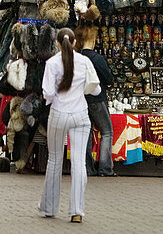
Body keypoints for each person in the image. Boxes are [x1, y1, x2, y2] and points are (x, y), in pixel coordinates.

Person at [40, 28, 99, 223]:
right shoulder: (84, 61)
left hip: (58, 113)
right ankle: (77, 210)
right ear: (74, 43)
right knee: (79, 162)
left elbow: (47, 92)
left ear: (57, 43)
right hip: (80, 114)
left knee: (55, 160)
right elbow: (96, 89)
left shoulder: (52, 63)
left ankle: (49, 207)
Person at [76, 22, 114, 177]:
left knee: (87, 132)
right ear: (93, 39)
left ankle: (87, 167)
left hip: (82, 99)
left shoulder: (77, 57)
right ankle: (105, 168)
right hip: (97, 98)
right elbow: (109, 78)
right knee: (107, 131)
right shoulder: (96, 58)